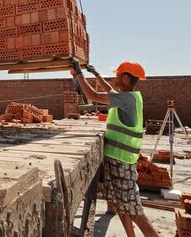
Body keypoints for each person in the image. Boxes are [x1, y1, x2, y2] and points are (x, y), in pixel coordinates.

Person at [69, 58, 160, 237]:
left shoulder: (126, 99)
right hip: (116, 159)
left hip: (123, 162)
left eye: (117, 75)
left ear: (126, 78)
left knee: (134, 210)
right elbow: (109, 91)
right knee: (120, 204)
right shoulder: (129, 96)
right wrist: (95, 74)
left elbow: (93, 96)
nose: (114, 78)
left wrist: (78, 74)